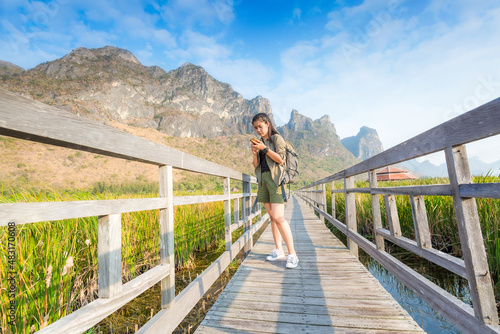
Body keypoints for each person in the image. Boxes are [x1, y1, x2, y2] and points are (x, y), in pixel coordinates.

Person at [251, 113, 299, 269]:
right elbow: (256, 165)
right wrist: (255, 152)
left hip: (276, 181)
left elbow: (281, 160)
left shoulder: (276, 139)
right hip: (263, 180)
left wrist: (264, 148)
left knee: (279, 217)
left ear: (267, 124)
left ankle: (292, 254)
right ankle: (279, 250)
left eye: (260, 126)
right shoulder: (260, 142)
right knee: (271, 217)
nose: (258, 130)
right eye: (255, 128)